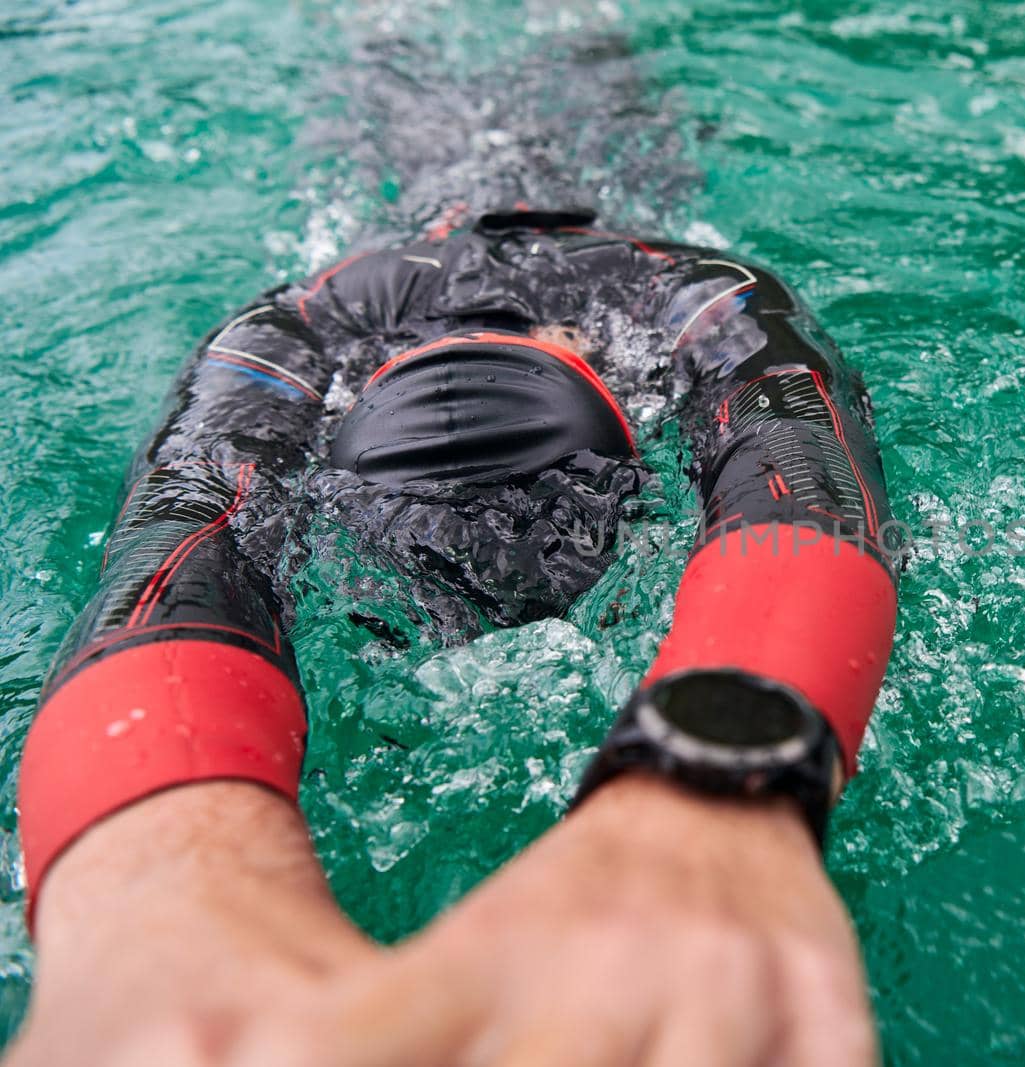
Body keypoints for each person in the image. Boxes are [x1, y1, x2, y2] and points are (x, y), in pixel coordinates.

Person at [5, 206, 898, 1066]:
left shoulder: (691, 289)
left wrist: (701, 791)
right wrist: (149, 890)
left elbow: (187, 542)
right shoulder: (286, 332)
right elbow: (183, 542)